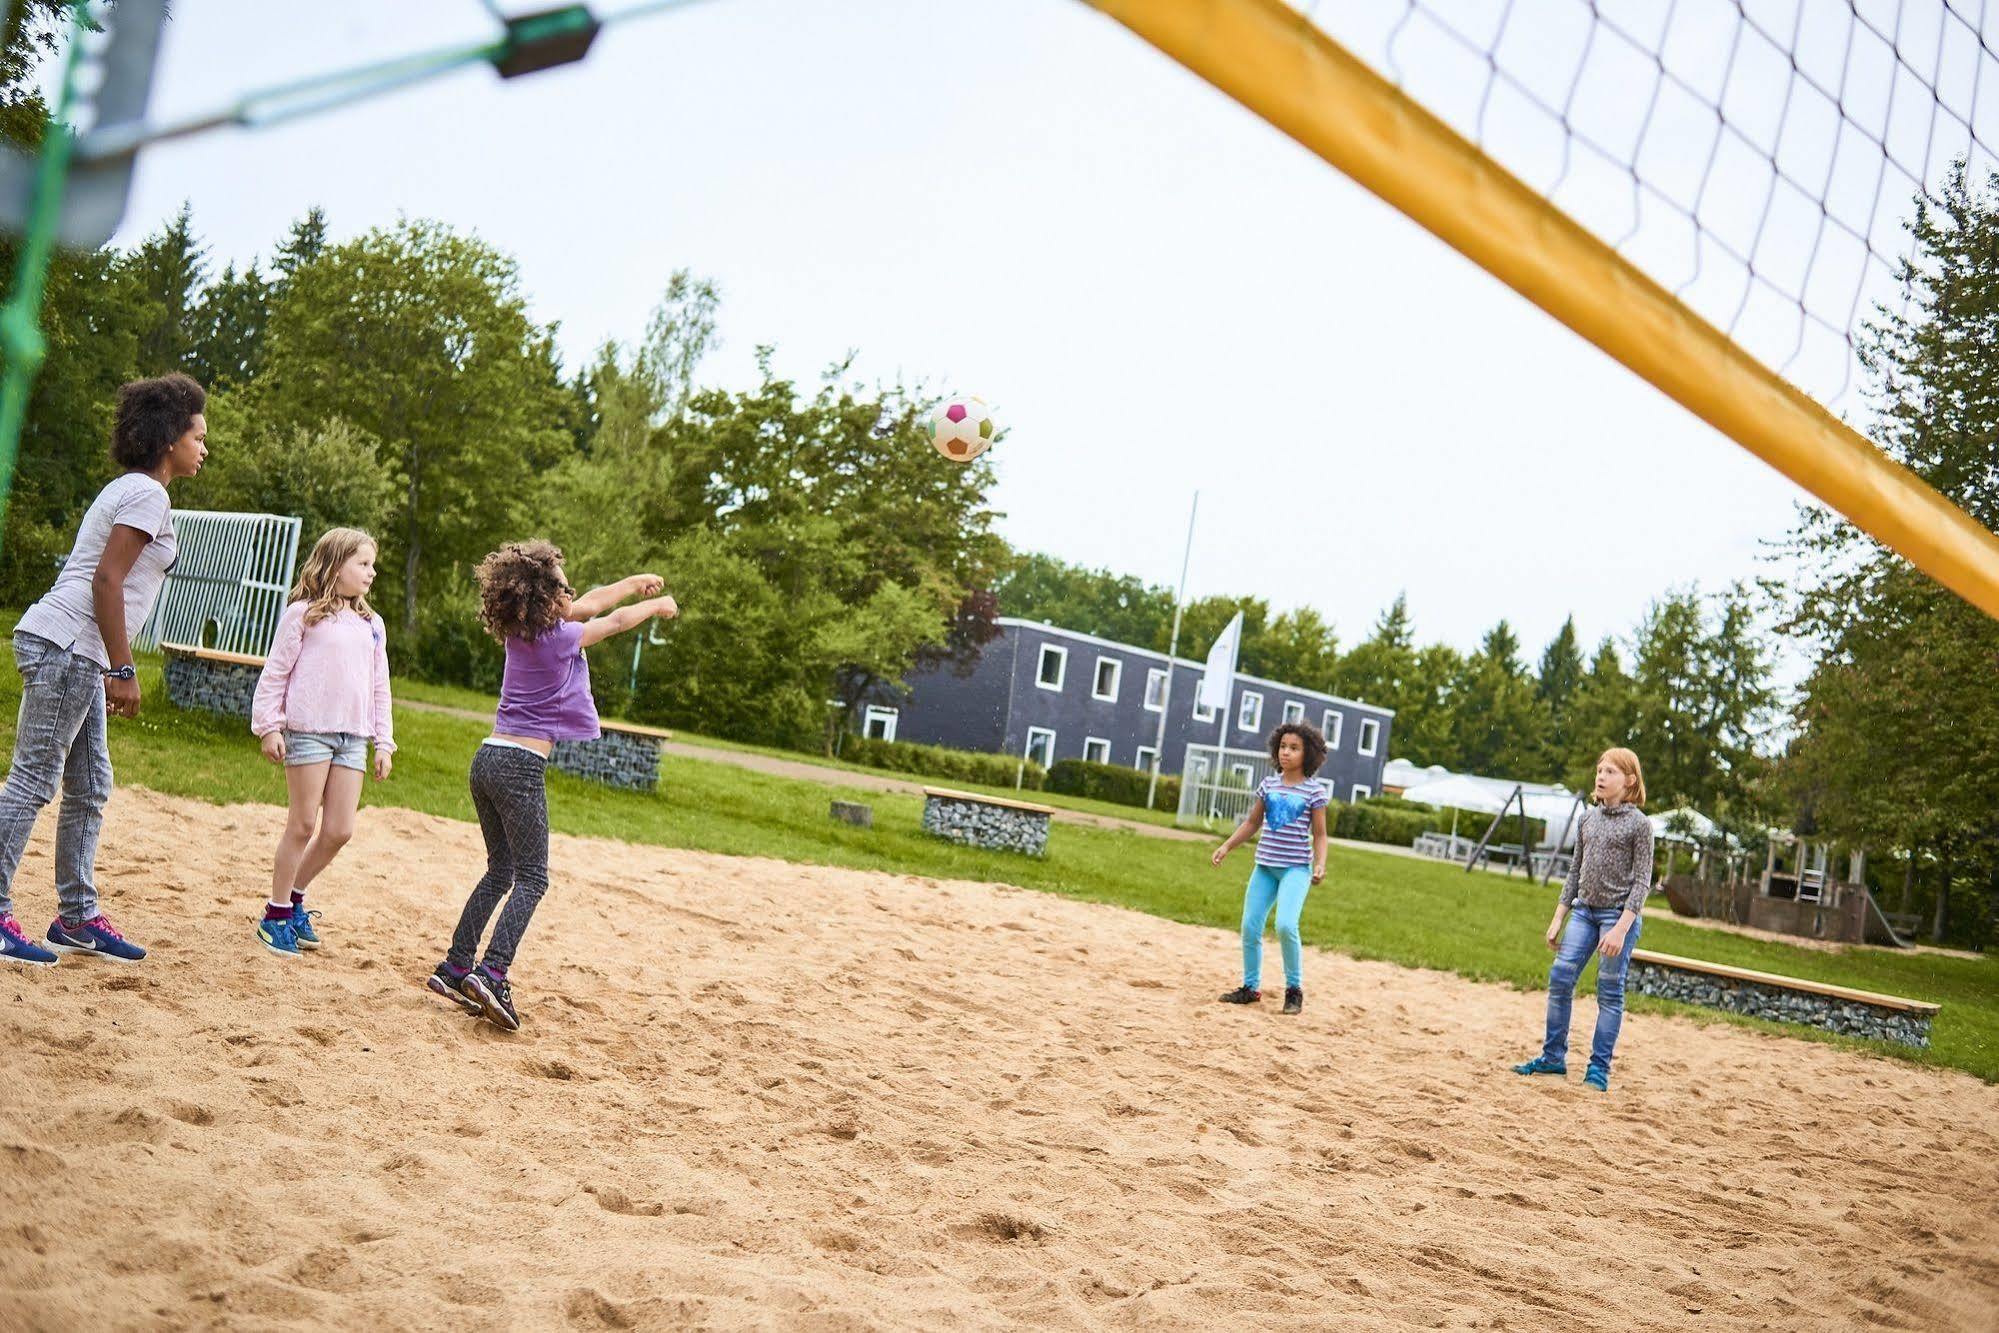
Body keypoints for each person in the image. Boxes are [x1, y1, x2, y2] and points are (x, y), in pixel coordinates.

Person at [0, 373, 208, 966]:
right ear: (170, 438)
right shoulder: (148, 494)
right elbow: (106, 580)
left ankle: (77, 916)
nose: (203, 446)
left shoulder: (133, 488)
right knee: (33, 781)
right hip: (70, 646)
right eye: (198, 435)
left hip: (74, 651)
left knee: (89, 786)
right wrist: (124, 667)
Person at [426, 541, 676, 1031]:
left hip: (486, 759)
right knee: (533, 878)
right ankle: (492, 973)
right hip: (520, 768)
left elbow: (598, 601)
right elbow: (615, 622)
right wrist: (655, 605)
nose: (572, 591)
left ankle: (455, 968)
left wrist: (632, 583)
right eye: (563, 585)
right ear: (545, 597)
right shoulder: (562, 638)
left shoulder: (522, 632)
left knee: (500, 872)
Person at [248, 528, 395, 958]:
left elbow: (379, 687)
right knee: (303, 824)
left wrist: (383, 742)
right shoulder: (303, 614)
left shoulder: (373, 624)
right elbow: (276, 673)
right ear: (335, 565)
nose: (372, 572)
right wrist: (269, 726)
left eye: (372, 564)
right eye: (362, 564)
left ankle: (294, 899)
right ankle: (274, 918)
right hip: (309, 731)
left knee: (339, 831)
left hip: (354, 738)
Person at [1512, 747, 1655, 1092]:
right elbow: (1575, 871)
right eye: (1600, 770)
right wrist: (1558, 916)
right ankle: (1552, 1058)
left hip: (1617, 918)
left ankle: (1598, 1069)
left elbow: (1642, 882)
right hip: (1584, 912)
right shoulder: (1587, 819)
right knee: (1560, 976)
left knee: (1609, 991)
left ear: (1630, 781)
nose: (1601, 776)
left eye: (1610, 772)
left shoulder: (1640, 825)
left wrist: (1621, 928)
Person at [1210, 722, 1329, 1015]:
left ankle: (1294, 991)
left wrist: (1320, 864)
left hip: (1295, 869)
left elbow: (1321, 834)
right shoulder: (1268, 785)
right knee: (1250, 926)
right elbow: (1252, 823)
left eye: (1294, 748)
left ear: (1308, 753)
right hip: (1264, 866)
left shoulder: (1314, 791)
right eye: (1283, 746)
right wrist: (1226, 846)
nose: (1286, 752)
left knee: (1286, 925)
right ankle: (1250, 988)